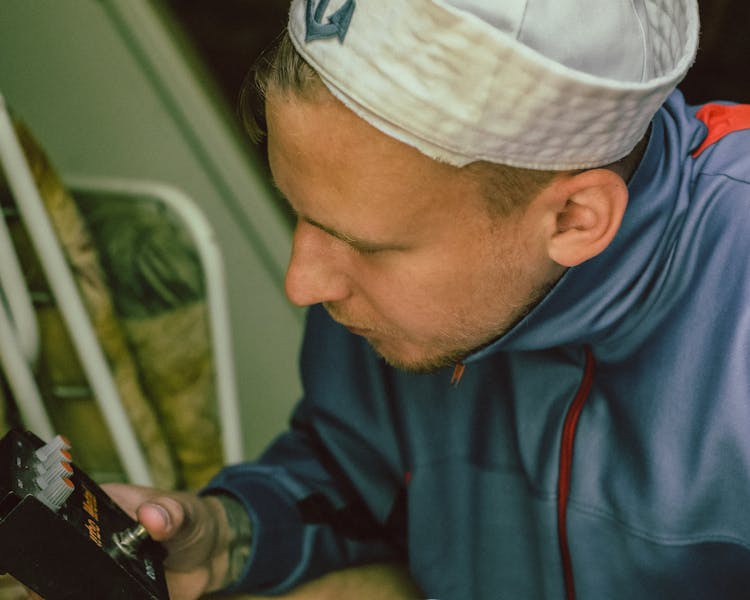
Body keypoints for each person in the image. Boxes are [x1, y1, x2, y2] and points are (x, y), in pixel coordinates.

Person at [71, 0, 750, 598]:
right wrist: (228, 537)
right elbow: (358, 481)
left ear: (574, 218)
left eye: (366, 245)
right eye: (298, 213)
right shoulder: (388, 297)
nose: (303, 283)